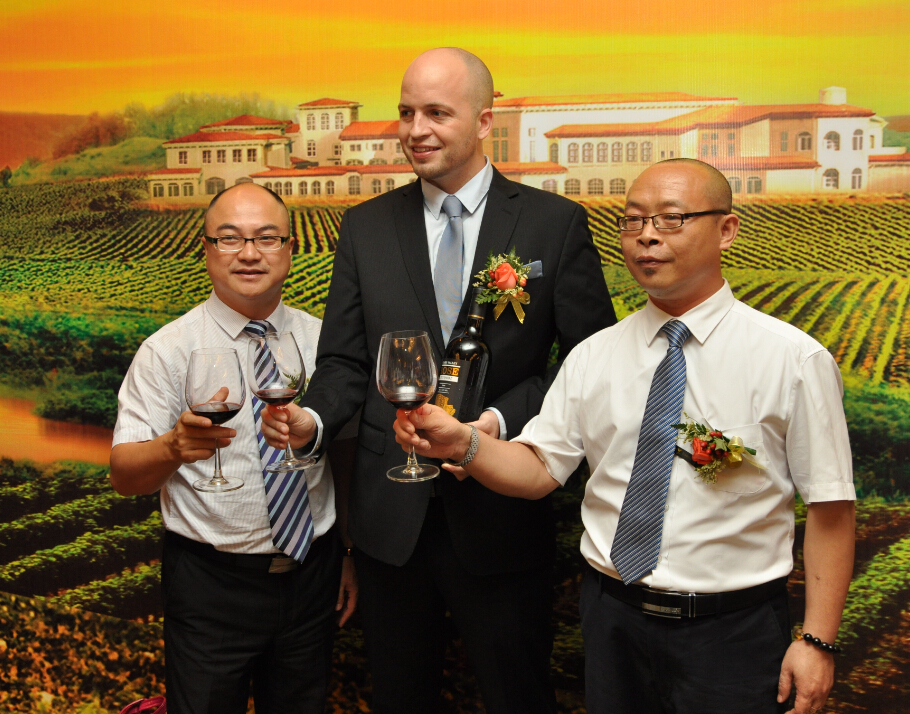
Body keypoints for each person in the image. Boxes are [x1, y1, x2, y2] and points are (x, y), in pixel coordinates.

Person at [393, 158, 857, 714]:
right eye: (633, 220)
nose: (647, 237)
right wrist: (463, 444)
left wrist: (817, 640)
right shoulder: (595, 355)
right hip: (612, 620)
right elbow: (539, 469)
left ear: (727, 229)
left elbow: (831, 507)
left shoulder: (793, 359)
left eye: (671, 219)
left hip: (733, 632)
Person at [262, 47, 616, 713]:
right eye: (405, 113)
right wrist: (312, 420)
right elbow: (343, 363)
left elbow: (591, 362)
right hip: (389, 523)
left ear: (483, 121)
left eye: (435, 113)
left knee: (518, 696)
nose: (415, 129)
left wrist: (498, 422)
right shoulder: (365, 227)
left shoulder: (552, 223)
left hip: (501, 516)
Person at [110, 182, 358, 714]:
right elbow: (125, 475)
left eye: (267, 238)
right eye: (230, 238)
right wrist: (174, 447)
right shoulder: (167, 350)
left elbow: (343, 455)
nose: (249, 253)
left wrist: (346, 554)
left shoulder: (324, 343)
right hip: (210, 586)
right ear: (206, 249)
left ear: (290, 249)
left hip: (311, 575)